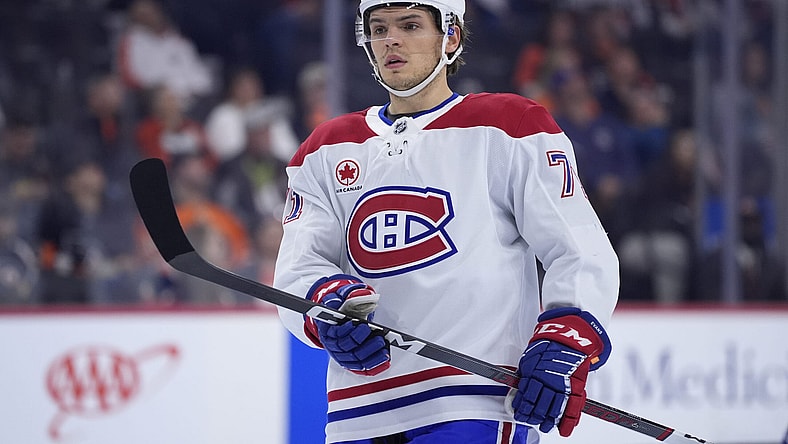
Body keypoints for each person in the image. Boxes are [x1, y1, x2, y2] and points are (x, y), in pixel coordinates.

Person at [273, 2, 619, 443]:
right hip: (359, 409)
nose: (390, 40)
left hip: (474, 400)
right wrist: (325, 307)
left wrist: (564, 339)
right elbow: (297, 270)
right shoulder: (325, 149)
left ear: (451, 37)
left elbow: (579, 249)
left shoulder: (510, 126)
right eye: (378, 29)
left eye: (410, 25)